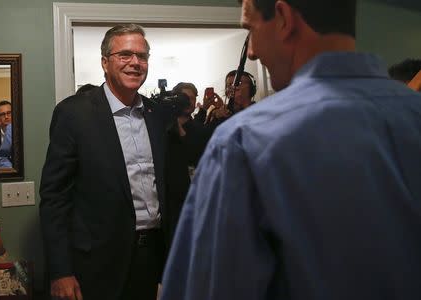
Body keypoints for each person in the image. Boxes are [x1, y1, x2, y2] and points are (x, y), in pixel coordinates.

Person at [161, 0, 421, 299]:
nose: (253, 52)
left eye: (251, 30)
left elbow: (209, 289)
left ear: (284, 18)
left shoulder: (245, 140)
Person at [40, 24, 190, 300]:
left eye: (142, 56)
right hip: (96, 264)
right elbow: (55, 198)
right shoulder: (74, 114)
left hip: (154, 256)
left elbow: (173, 190)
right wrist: (61, 271)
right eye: (125, 55)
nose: (135, 63)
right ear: (105, 63)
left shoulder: (157, 115)